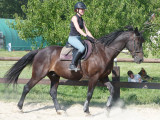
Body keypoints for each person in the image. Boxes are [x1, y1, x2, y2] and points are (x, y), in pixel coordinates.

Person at [68, 2, 95, 71]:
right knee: (82, 48)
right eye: (81, 9)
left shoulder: (82, 20)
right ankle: (72, 64)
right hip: (72, 38)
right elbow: (78, 29)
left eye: (83, 9)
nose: (83, 10)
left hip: (78, 38)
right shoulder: (74, 18)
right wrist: (86, 36)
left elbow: (87, 31)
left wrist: (93, 39)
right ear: (77, 10)